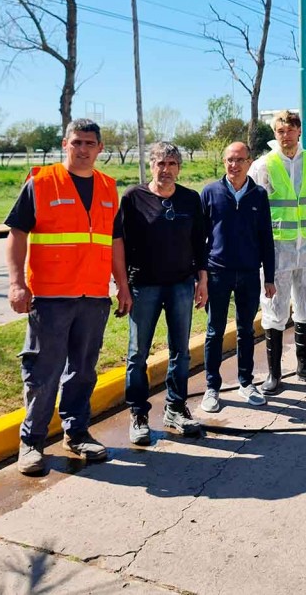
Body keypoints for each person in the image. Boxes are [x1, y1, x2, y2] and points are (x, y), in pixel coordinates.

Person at [5, 118, 131, 475]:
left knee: (83, 372)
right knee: (43, 373)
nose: (83, 149)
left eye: (90, 143)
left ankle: (76, 433)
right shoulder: (41, 182)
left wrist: (121, 284)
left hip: (93, 296)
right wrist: (17, 284)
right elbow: (16, 234)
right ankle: (31, 443)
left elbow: (114, 241)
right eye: (76, 142)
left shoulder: (108, 187)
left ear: (100, 149)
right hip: (50, 297)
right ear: (65, 144)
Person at [117, 142, 208, 445]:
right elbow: (120, 245)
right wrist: (122, 285)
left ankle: (176, 408)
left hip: (181, 284)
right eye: (160, 163)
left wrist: (202, 280)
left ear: (179, 168)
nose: (166, 169)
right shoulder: (133, 198)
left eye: (172, 164)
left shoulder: (190, 199)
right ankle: (138, 414)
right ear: (151, 165)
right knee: (137, 354)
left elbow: (200, 244)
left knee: (180, 352)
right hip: (144, 286)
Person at [247, 110, 306, 394]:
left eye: (291, 130)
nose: (286, 136)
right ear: (275, 134)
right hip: (277, 249)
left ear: (299, 131)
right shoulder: (263, 165)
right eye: (280, 131)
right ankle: (274, 374)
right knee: (274, 308)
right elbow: (254, 208)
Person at [199, 142, 277, 412]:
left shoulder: (258, 195)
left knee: (245, 330)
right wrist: (201, 277)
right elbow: (198, 239)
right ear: (224, 162)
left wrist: (269, 276)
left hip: (248, 273)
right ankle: (212, 388)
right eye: (230, 160)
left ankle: (246, 382)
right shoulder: (210, 192)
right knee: (214, 331)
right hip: (217, 273)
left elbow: (266, 238)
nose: (234, 165)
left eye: (240, 160)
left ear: (249, 162)